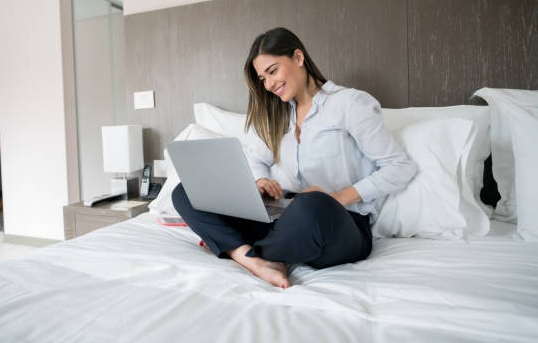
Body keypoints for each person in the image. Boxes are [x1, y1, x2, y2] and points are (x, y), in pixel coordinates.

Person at [172, 27, 416, 288]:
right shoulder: (281, 118)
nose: (268, 84)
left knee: (311, 205)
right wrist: (261, 181)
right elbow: (257, 159)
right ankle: (252, 258)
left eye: (273, 71)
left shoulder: (350, 104)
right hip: (286, 219)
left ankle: (230, 243)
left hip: (338, 223)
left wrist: (334, 198)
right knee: (185, 191)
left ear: (298, 58)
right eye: (263, 78)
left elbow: (399, 167)